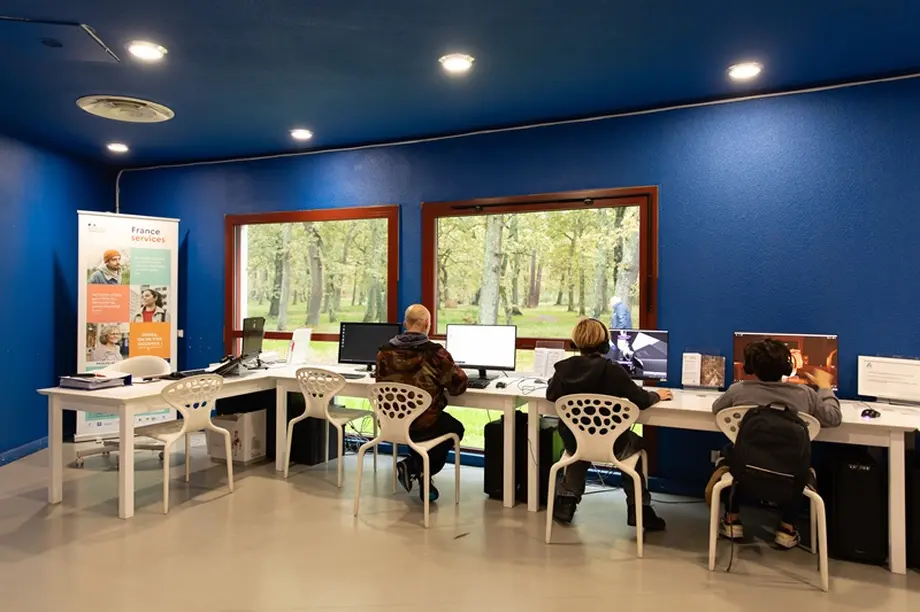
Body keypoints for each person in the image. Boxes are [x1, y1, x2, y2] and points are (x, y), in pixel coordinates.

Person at [708, 338, 842, 549]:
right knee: (798, 462)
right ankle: (787, 528)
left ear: (750, 367)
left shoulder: (738, 390)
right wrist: (825, 387)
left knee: (732, 452)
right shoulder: (805, 394)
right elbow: (833, 418)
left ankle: (732, 519)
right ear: (787, 366)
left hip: (745, 469)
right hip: (790, 473)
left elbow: (717, 408)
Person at [546, 318, 672, 530]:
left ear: (575, 344)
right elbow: (641, 400)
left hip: (575, 442)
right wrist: (657, 395)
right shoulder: (612, 370)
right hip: (613, 444)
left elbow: (551, 395)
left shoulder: (564, 370)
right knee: (636, 445)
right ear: (605, 344)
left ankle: (566, 502)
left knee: (582, 440)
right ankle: (639, 509)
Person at [376, 304, 468, 502]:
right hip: (423, 424)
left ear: (405, 324)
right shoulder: (436, 354)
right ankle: (416, 467)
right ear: (427, 324)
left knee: (419, 423)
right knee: (455, 428)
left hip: (392, 422)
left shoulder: (384, 353)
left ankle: (418, 470)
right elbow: (457, 387)